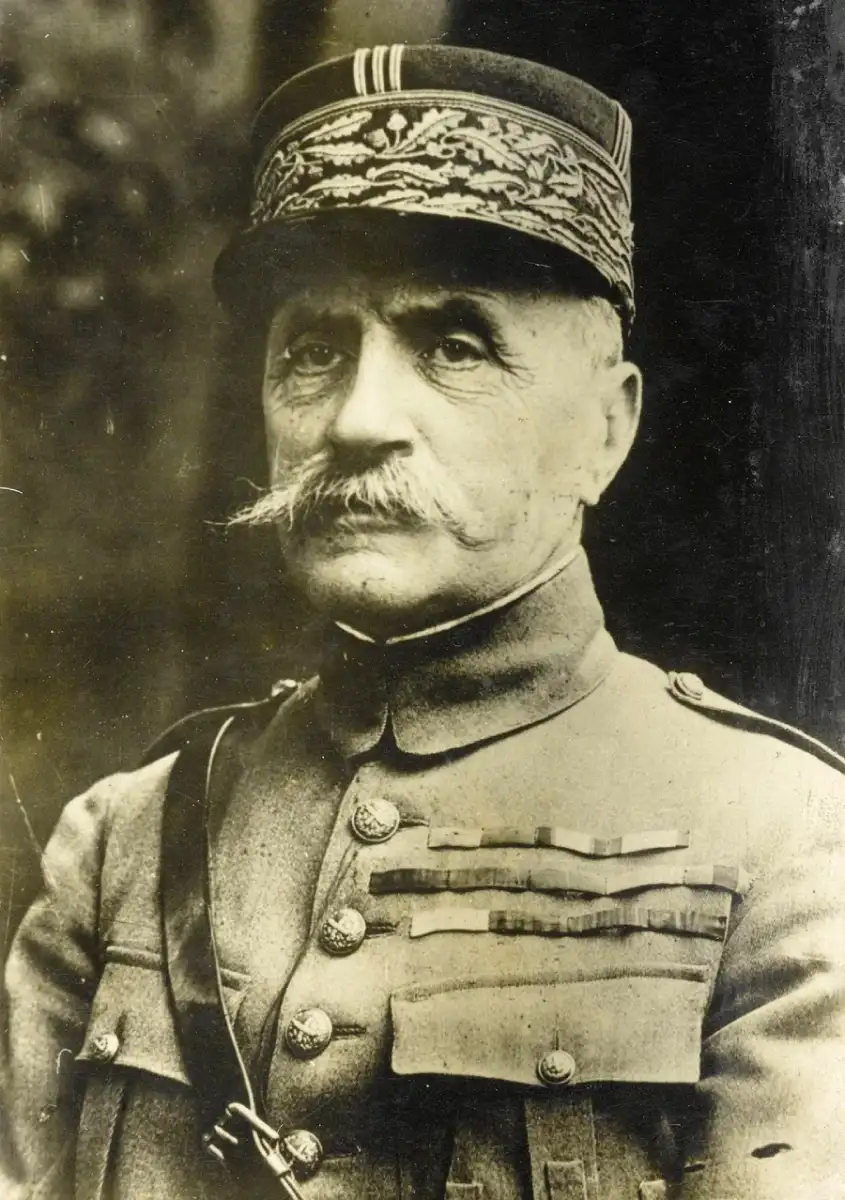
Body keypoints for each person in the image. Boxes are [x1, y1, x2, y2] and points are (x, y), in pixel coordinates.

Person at [3, 42, 845, 1200]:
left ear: (606, 428)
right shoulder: (124, 840)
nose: (354, 419)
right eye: (312, 350)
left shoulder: (783, 841)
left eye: (453, 345)